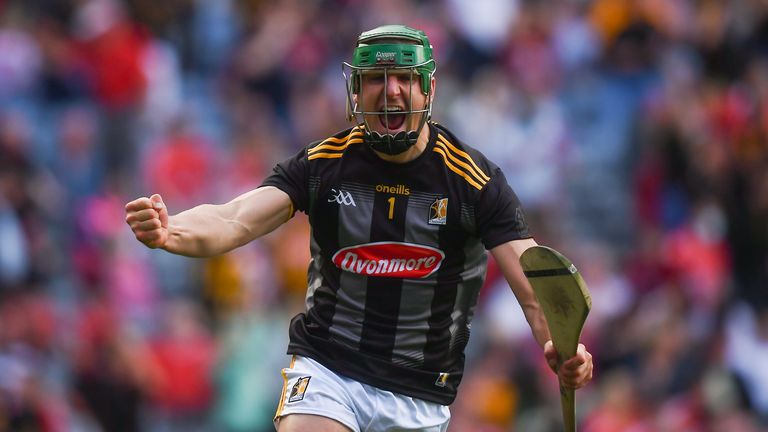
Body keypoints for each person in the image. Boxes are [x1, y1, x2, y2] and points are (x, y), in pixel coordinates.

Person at [125, 24, 593, 432]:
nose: (390, 91)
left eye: (404, 78)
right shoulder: (323, 165)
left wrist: (559, 345)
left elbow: (534, 285)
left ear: (428, 89)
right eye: (375, 79)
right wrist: (171, 230)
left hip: (418, 393)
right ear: (355, 90)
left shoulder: (472, 182)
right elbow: (235, 218)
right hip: (329, 369)